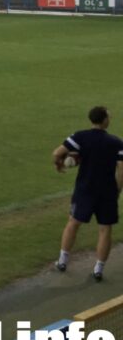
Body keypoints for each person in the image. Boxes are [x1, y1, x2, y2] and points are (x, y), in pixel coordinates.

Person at [53, 106, 123, 281]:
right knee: (105, 229)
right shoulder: (116, 142)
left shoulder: (80, 137)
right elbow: (122, 169)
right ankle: (98, 270)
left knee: (73, 223)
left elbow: (57, 153)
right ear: (104, 120)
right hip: (107, 192)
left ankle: (62, 261)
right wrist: (117, 190)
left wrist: (59, 163)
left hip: (85, 190)